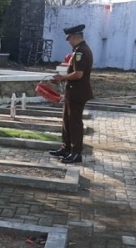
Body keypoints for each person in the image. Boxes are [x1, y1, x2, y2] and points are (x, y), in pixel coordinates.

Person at [50, 24, 93, 164]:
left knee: (74, 123)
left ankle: (76, 153)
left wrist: (62, 78)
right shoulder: (78, 50)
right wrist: (61, 80)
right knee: (67, 122)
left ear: (75, 37)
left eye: (70, 39)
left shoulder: (81, 51)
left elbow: (78, 74)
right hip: (72, 92)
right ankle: (66, 148)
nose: (69, 42)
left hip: (78, 93)